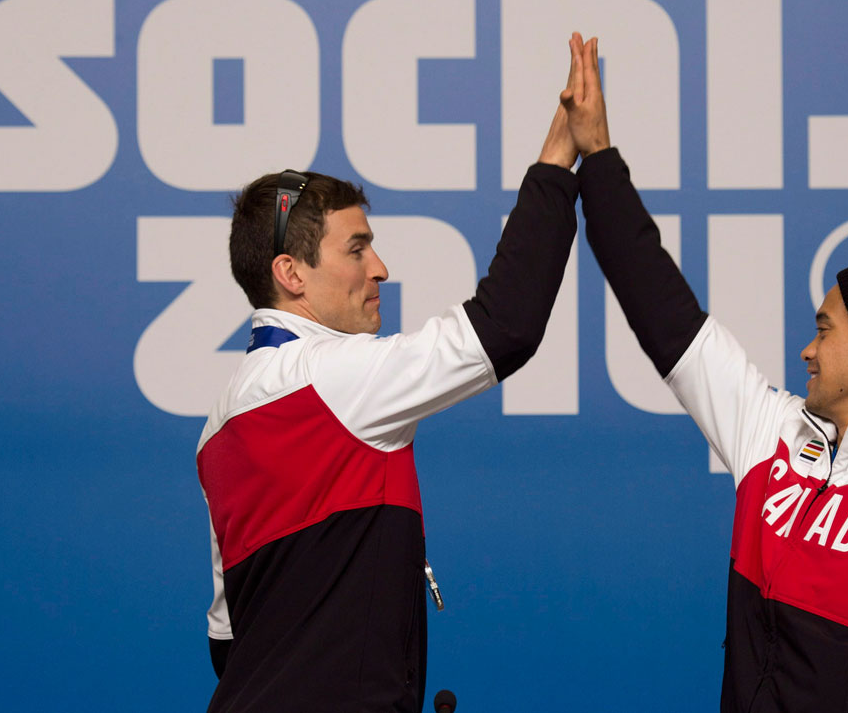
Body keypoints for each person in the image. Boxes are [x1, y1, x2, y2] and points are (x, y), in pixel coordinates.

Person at [561, 34, 848, 712]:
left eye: (824, 330)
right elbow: (662, 310)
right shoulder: (773, 434)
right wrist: (599, 157)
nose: (807, 352)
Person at [195, 54, 583, 712]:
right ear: (291, 274)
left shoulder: (217, 429)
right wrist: (558, 158)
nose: (380, 267)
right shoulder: (334, 378)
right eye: (356, 249)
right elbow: (507, 326)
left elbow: (228, 641)